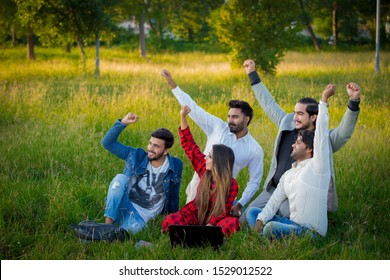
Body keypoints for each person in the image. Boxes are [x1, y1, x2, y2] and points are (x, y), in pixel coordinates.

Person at [240, 59, 361, 222]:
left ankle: (279, 229)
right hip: (274, 189)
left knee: (282, 210)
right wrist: (252, 74)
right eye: (295, 112)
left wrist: (353, 102)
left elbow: (344, 132)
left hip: (301, 197)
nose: (295, 117)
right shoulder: (287, 123)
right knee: (246, 216)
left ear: (313, 117)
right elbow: (268, 104)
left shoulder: (322, 140)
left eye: (300, 114)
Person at [161, 70, 264, 217]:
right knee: (190, 221)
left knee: (216, 228)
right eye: (229, 116)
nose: (230, 120)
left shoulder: (254, 149)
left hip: (224, 191)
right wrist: (172, 84)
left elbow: (255, 181)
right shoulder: (218, 126)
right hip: (201, 181)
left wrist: (240, 203)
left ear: (246, 119)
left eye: (235, 117)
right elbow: (194, 109)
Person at [246, 84, 336, 238]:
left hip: (311, 232)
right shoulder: (288, 174)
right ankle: (266, 236)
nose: (293, 144)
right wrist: (260, 221)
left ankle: (268, 235)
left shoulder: (318, 168)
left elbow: (321, 134)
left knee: (271, 228)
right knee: (253, 212)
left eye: (298, 142)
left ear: (309, 149)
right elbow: (274, 201)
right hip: (291, 225)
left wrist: (324, 101)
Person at [161, 105, 240, 236]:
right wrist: (183, 117)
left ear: (218, 162)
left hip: (215, 220)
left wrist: (210, 227)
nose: (205, 158)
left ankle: (203, 236)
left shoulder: (231, 184)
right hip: (197, 214)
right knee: (170, 220)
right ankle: (194, 235)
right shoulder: (204, 170)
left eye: (209, 156)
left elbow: (223, 212)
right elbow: (189, 145)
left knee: (232, 223)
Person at [101, 112, 183, 234]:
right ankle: (106, 226)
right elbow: (107, 143)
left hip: (140, 216)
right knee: (120, 179)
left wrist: (173, 221)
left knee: (121, 236)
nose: (150, 148)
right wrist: (123, 123)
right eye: (150, 143)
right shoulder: (136, 156)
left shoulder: (175, 165)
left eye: (156, 146)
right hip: (124, 204)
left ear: (166, 150)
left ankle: (113, 232)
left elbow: (174, 194)